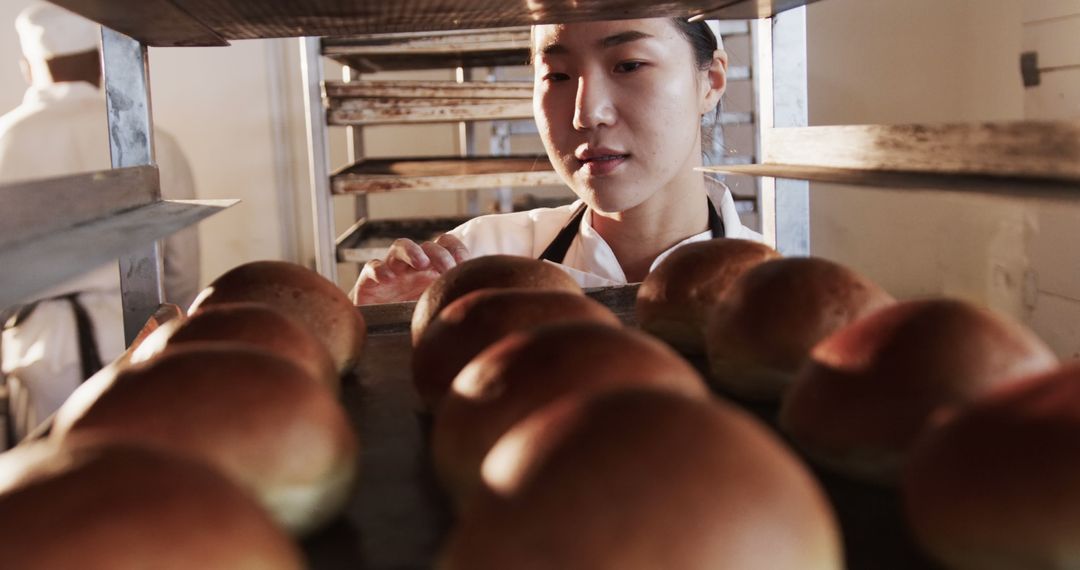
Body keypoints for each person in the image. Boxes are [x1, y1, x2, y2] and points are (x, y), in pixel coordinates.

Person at [352, 17, 761, 305]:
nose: (587, 114)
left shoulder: (771, 291)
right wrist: (381, 330)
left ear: (711, 80)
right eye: (558, 76)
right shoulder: (474, 265)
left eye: (629, 65)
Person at [0, 2, 200, 444]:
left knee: (51, 485)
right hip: (137, 336)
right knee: (136, 473)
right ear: (101, 58)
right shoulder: (152, 138)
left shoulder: (3, 141)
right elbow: (183, 267)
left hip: (40, 354)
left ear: (28, 67)